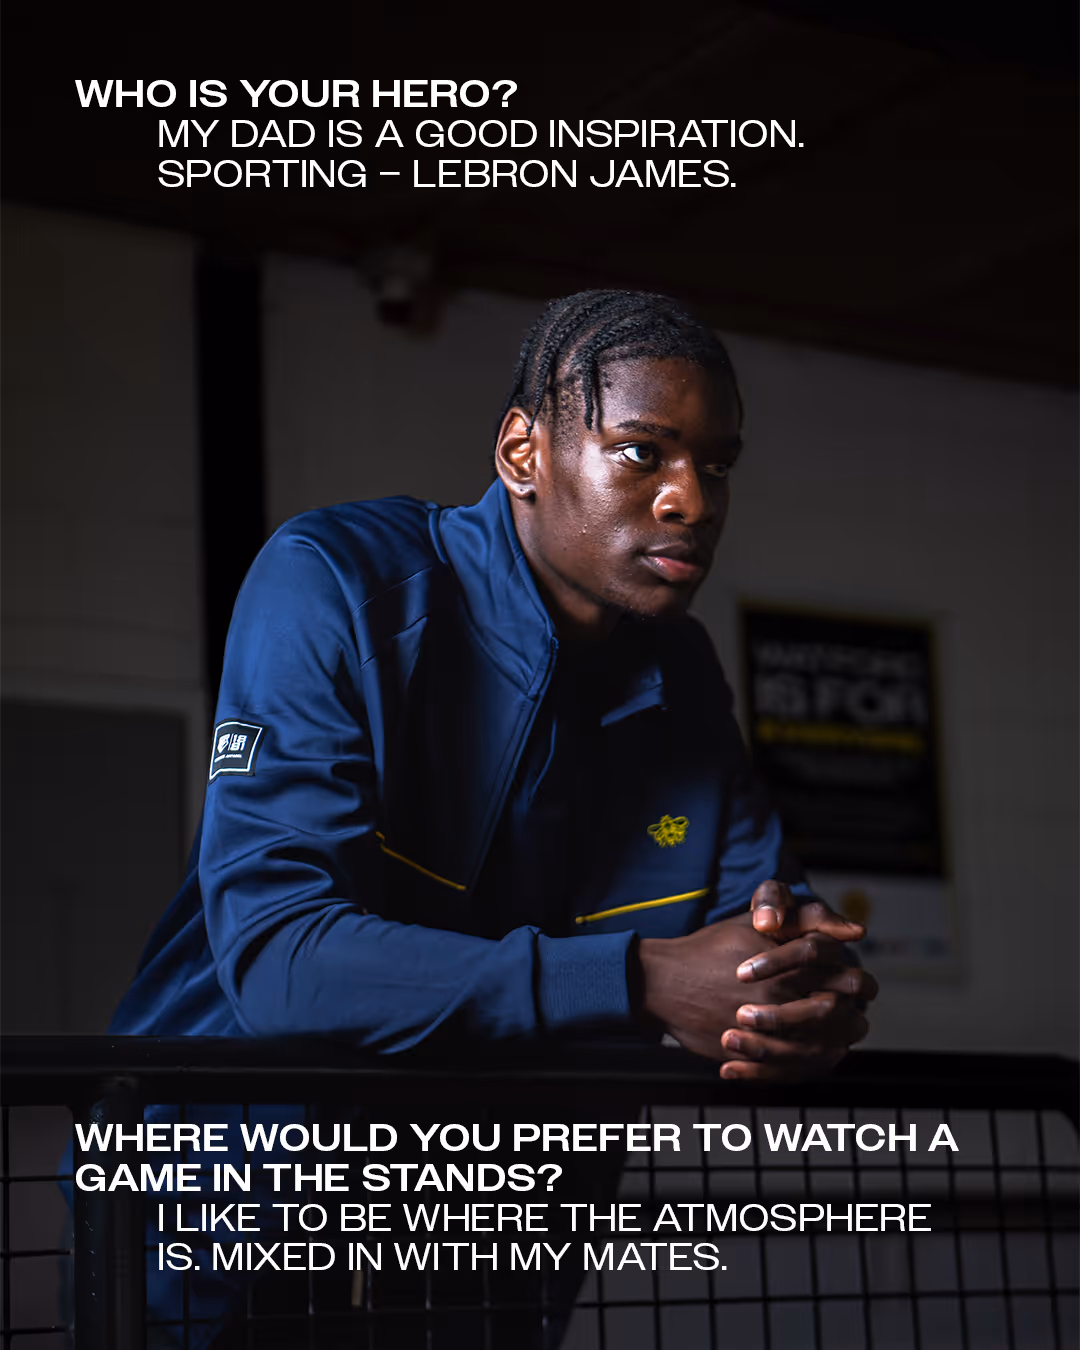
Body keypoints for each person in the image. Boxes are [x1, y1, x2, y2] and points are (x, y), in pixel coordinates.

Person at [101, 290, 877, 1347]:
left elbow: (761, 922)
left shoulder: (681, 671)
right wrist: (643, 978)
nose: (691, 499)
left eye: (717, 463)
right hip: (236, 1215)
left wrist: (804, 993)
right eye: (643, 452)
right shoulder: (340, 580)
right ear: (524, 453)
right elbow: (283, 955)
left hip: (494, 1230)